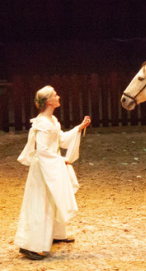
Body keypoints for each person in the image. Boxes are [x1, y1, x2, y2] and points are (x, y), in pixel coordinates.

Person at [14, 85, 91, 260]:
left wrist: (79, 128)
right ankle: (30, 245)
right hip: (42, 168)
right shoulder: (42, 124)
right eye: (55, 95)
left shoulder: (52, 120)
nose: (58, 97)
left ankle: (55, 234)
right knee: (40, 203)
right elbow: (42, 150)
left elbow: (61, 140)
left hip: (50, 164)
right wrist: (60, 160)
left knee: (52, 199)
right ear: (49, 101)